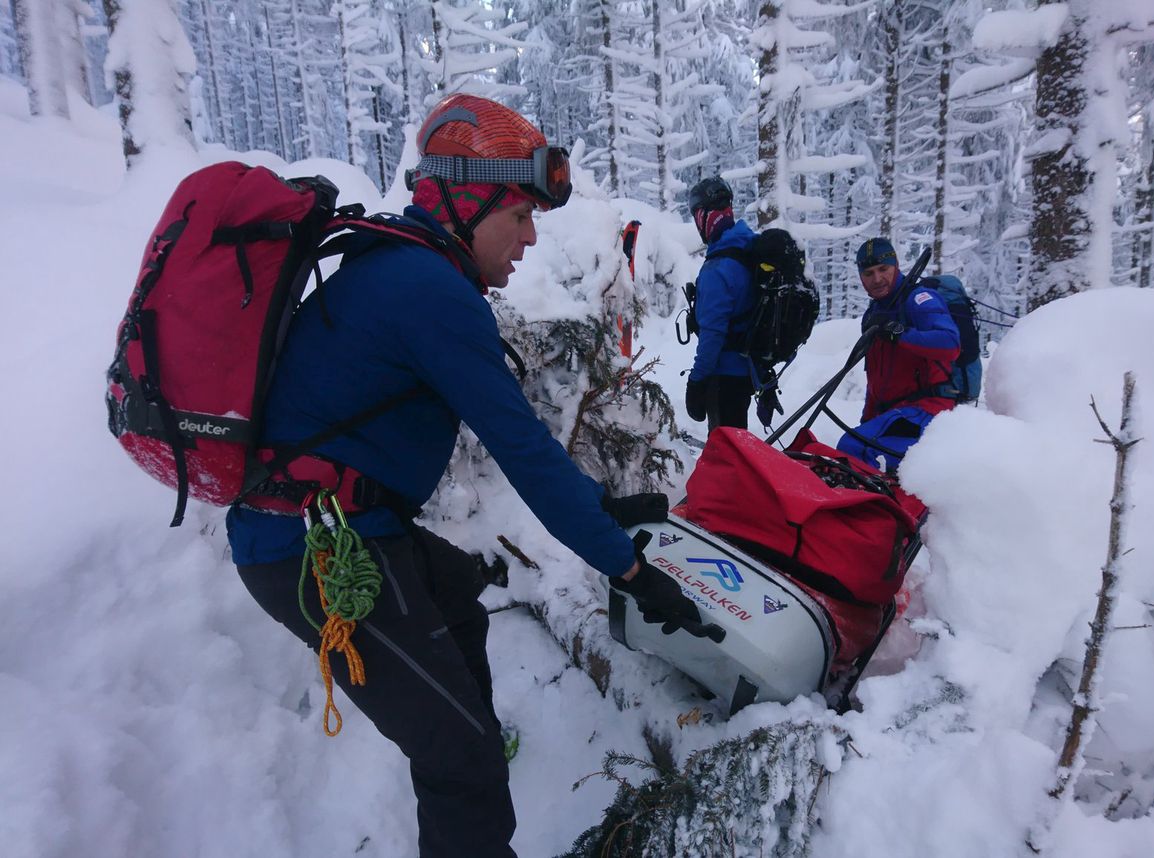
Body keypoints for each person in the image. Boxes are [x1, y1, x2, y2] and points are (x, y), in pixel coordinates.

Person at [226, 94, 712, 858]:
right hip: (313, 551)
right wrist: (629, 568)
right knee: (462, 762)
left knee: (456, 598)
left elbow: (529, 451)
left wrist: (601, 509)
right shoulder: (429, 292)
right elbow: (523, 450)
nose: (527, 238)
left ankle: (465, 745)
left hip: (334, 527)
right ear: (464, 198)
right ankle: (467, 769)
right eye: (517, 215)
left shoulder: (399, 267)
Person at [837, 237, 961, 472]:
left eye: (883, 269)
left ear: (895, 266)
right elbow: (876, 381)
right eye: (869, 273)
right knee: (853, 448)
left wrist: (900, 333)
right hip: (896, 415)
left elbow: (950, 343)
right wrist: (868, 423)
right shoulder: (874, 314)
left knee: (855, 449)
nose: (877, 279)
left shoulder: (918, 300)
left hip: (929, 410)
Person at [684, 175, 759, 430]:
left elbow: (713, 335)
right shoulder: (747, 248)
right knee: (737, 443)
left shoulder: (718, 268)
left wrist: (696, 381)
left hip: (725, 375)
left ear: (705, 216)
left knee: (726, 452)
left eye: (697, 216)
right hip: (746, 372)